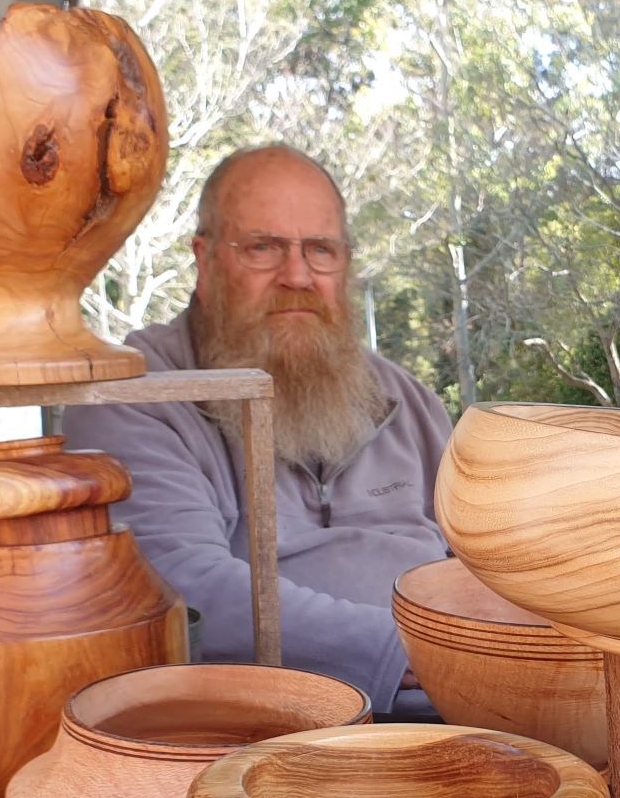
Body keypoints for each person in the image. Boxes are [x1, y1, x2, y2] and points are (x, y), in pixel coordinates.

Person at [63, 143, 453, 714]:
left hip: (464, 702)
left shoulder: (404, 399)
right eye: (263, 248)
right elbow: (181, 591)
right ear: (205, 261)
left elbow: (489, 561)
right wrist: (413, 652)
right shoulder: (135, 396)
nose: (297, 276)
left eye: (321, 250)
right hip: (264, 736)